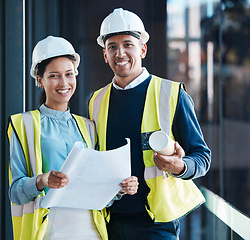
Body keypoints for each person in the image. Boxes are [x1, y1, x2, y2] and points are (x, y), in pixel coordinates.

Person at [89, 8, 211, 240]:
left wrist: (180, 167)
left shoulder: (173, 94)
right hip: (108, 221)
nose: (120, 53)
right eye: (112, 46)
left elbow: (202, 158)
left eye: (128, 44)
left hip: (158, 225)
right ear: (105, 54)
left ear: (142, 49)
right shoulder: (96, 101)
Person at [6, 36, 139, 240]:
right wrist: (42, 180)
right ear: (40, 80)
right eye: (54, 76)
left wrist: (119, 189)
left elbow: (98, 189)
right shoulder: (23, 124)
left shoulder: (88, 126)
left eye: (69, 74)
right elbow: (15, 192)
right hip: (50, 230)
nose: (64, 83)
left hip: (90, 229)